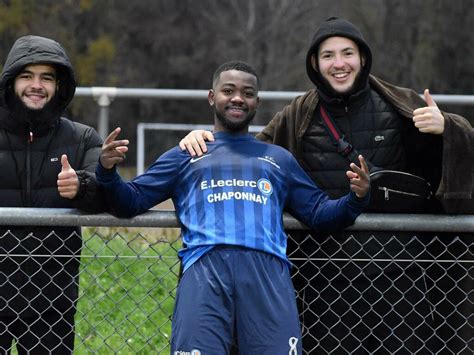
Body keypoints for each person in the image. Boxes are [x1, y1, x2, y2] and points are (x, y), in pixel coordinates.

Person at [179, 18, 473, 354]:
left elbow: (456, 161)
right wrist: (206, 140)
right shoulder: (297, 117)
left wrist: (447, 127)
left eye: (347, 53)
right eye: (328, 55)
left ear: (363, 58)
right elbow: (248, 157)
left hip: (400, 278)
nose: (339, 64)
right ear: (315, 65)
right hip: (327, 282)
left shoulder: (399, 104)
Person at [96, 60, 370, 354]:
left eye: (247, 92)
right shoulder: (187, 153)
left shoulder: (278, 158)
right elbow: (131, 200)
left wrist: (356, 198)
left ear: (257, 102)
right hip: (205, 272)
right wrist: (107, 172)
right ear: (212, 97)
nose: (238, 97)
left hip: (268, 275)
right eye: (229, 90)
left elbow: (318, 213)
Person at [0, 35, 104, 354]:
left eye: (46, 77)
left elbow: (109, 193)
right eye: (27, 75)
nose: (37, 85)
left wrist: (82, 186)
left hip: (50, 300)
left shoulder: (83, 138)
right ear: (10, 81)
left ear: (59, 85)